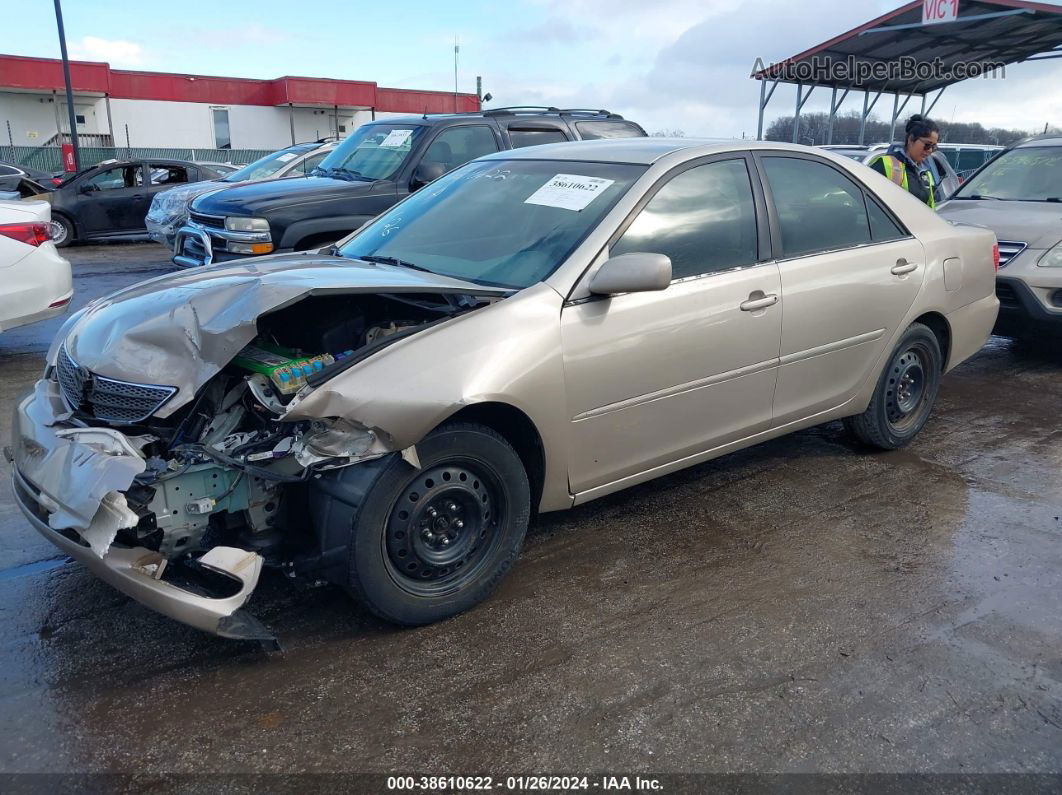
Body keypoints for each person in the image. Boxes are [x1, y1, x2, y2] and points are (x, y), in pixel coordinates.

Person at [868, 115, 940, 209]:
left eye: (934, 147)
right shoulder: (885, 165)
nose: (930, 150)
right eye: (927, 145)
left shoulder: (926, 174)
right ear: (911, 139)